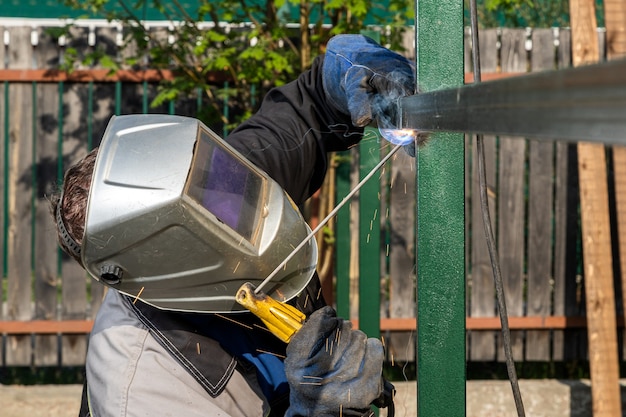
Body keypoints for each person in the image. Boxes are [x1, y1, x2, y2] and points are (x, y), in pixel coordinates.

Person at [52, 34, 415, 417]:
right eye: (206, 211)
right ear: (170, 254)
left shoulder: (216, 181)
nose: (228, 200)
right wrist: (318, 411)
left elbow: (306, 111)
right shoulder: (142, 390)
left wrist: (345, 77)